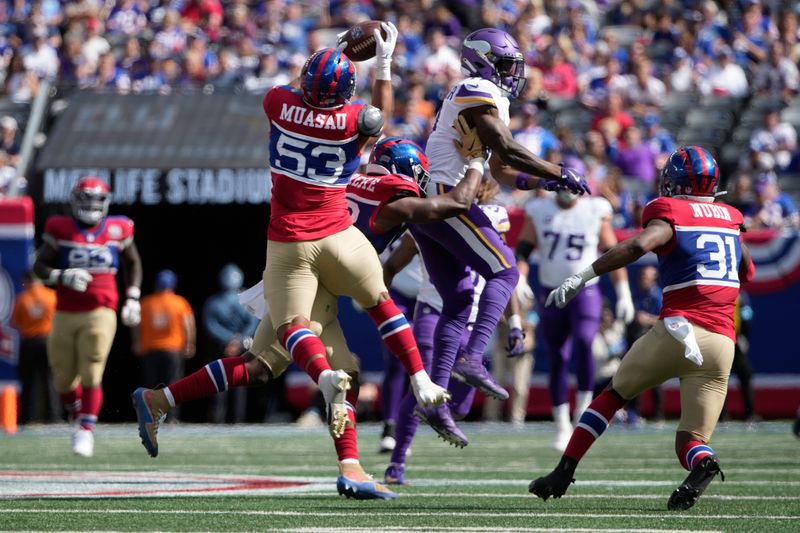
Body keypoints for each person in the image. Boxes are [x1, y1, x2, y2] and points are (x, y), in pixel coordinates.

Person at [133, 131, 488, 500]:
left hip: (305, 260)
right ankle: (347, 456)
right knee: (336, 359)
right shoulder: (394, 198)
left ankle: (159, 400)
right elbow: (452, 204)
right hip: (321, 274)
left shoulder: (355, 177)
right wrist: (478, 162)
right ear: (408, 171)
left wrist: (382, 71)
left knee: (260, 367)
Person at [530, 146, 755, 511]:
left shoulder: (669, 210)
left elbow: (639, 245)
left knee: (612, 395)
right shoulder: (731, 216)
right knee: (692, 439)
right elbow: (747, 273)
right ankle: (703, 463)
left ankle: (563, 471)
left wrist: (585, 276)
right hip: (721, 344)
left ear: (675, 182)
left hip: (679, 329)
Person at [261, 25, 451, 441]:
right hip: (340, 236)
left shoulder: (277, 102)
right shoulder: (352, 124)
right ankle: (420, 377)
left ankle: (325, 379)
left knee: (288, 331)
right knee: (382, 301)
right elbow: (378, 120)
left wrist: (334, 53)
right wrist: (381, 62)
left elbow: (298, 89)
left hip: (290, 239)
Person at [410, 27, 589, 446]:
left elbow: (503, 171)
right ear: (483, 60)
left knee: (457, 300)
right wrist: (559, 171)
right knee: (505, 272)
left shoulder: (482, 98)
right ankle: (472, 355)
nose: (513, 73)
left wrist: (544, 184)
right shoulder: (475, 88)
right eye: (507, 64)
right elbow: (506, 149)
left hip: (436, 203)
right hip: (448, 198)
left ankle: (433, 400)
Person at [384, 195, 524, 484]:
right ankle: (396, 463)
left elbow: (503, 275)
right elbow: (392, 265)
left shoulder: (492, 218)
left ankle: (439, 410)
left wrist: (515, 322)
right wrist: (380, 306)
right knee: (422, 389)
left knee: (460, 406)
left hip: (471, 324)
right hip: (433, 311)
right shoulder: (432, 216)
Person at [516, 189, 635, 451]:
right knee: (558, 354)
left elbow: (613, 252)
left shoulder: (594, 209)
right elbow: (523, 249)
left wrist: (623, 291)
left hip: (585, 291)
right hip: (550, 290)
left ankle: (582, 412)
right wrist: (521, 278)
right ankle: (561, 424)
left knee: (584, 342)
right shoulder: (540, 208)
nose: (568, 193)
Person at [33, 176, 142, 457]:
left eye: (96, 201)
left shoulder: (119, 228)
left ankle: (86, 430)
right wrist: (61, 275)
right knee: (63, 377)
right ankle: (77, 414)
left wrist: (132, 297)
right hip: (65, 311)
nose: (91, 207)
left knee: (92, 365)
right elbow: (39, 265)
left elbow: (132, 262)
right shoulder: (60, 228)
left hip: (101, 310)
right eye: (86, 200)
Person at [133, 269, 195, 419]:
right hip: (173, 349)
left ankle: (150, 416)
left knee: (151, 384)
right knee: (173, 384)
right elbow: (188, 324)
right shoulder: (180, 302)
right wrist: (190, 343)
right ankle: (172, 417)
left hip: (150, 349)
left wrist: (137, 343)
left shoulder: (146, 302)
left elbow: (136, 325)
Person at [202, 263, 257, 424]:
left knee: (219, 383)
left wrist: (229, 340)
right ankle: (237, 421)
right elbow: (253, 323)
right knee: (238, 384)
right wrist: (238, 340)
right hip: (239, 348)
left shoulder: (213, 302)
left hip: (221, 348)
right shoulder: (247, 300)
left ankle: (218, 421)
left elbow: (211, 326)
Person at [11, 272, 59, 424]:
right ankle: (54, 417)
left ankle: (27, 417)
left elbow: (16, 322)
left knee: (28, 381)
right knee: (50, 380)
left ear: (27, 280)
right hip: (48, 341)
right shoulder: (52, 296)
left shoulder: (22, 299)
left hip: (29, 343)